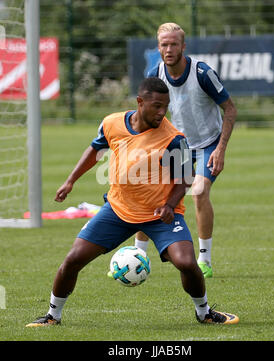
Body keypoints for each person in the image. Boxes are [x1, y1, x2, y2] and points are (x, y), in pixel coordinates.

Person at [25, 78, 238, 327]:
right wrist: (71, 180)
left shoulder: (173, 138)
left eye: (166, 106)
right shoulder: (112, 123)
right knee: (73, 259)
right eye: (156, 106)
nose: (162, 112)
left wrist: (170, 205)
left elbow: (184, 180)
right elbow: (95, 150)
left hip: (160, 215)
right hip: (118, 210)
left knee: (187, 263)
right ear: (140, 102)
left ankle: (204, 313)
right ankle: (53, 316)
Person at [134, 23, 237, 278]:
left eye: (174, 44)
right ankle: (137, 257)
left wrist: (221, 149)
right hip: (176, 146)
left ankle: (205, 259)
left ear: (183, 46)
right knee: (148, 191)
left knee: (199, 192)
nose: (169, 49)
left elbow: (231, 109)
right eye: (164, 45)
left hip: (207, 145)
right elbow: (146, 115)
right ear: (158, 47)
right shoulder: (154, 73)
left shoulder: (202, 73)